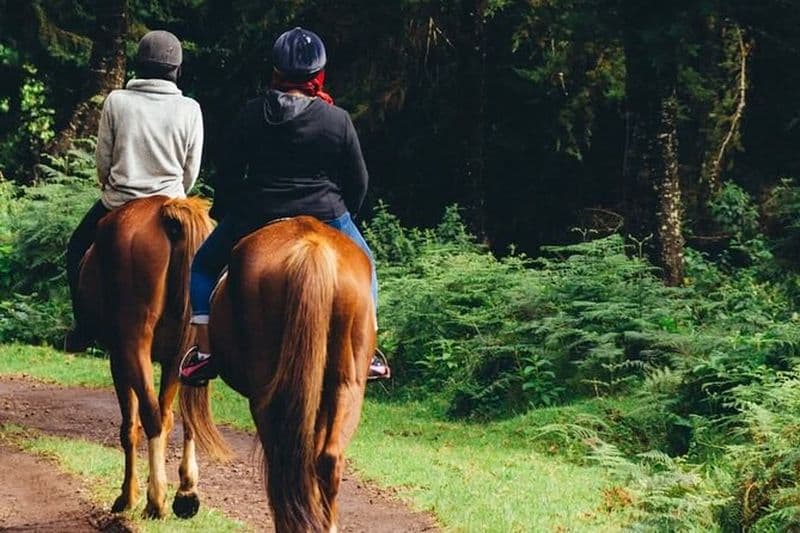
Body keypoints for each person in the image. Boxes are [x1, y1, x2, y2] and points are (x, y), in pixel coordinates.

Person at [179, 27, 389, 386]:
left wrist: (227, 212)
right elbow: (359, 180)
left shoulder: (249, 113)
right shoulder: (337, 119)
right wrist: (343, 216)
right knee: (366, 267)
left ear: (275, 71)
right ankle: (366, 352)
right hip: (326, 213)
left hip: (256, 213)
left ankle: (205, 351)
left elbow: (228, 174)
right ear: (317, 75)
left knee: (202, 267)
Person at [64, 30, 204, 352]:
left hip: (120, 200)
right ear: (177, 70)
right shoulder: (191, 109)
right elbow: (190, 170)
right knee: (209, 260)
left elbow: (103, 159)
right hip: (171, 203)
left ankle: (84, 328)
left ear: (138, 65)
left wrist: (110, 184)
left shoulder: (117, 101)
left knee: (75, 249)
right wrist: (174, 192)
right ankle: (204, 337)